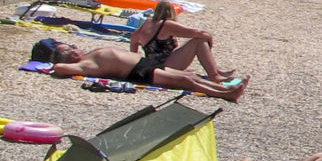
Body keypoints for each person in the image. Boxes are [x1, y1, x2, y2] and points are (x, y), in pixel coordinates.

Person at [32, 37, 248, 101]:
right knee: (187, 82)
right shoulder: (81, 64)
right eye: (68, 51)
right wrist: (59, 63)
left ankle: (222, 88)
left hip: (142, 64)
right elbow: (60, 69)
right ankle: (225, 94)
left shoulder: (86, 56)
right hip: (137, 73)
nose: (74, 49)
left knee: (188, 75)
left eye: (71, 47)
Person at [129, 0, 232, 81]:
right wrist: (210, 43)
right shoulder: (166, 25)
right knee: (199, 41)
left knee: (197, 41)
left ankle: (215, 70)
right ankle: (214, 75)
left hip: (153, 67)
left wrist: (135, 61)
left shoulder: (147, 23)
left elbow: (133, 39)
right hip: (165, 67)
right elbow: (201, 33)